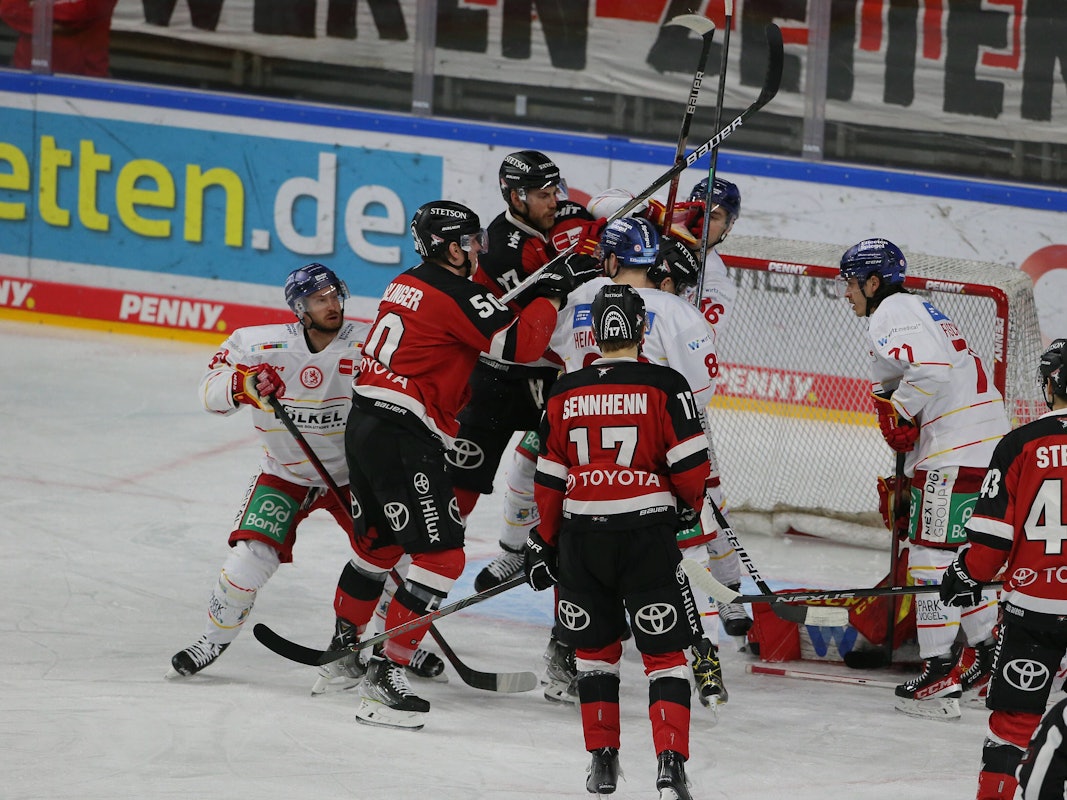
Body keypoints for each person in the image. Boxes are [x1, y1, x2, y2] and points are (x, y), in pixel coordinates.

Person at [326, 199, 582, 731]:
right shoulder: (456, 292)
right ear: (446, 246)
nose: (475, 250)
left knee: (378, 548)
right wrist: (553, 292)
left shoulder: (408, 281)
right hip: (403, 432)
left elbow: (479, 315)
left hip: (365, 424)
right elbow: (519, 343)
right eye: (467, 242)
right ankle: (384, 676)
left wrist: (530, 291)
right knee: (441, 557)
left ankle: (341, 654)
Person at [525, 282, 710, 800]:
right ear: (642, 329)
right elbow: (693, 467)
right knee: (665, 656)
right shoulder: (667, 384)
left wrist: (545, 542)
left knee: (594, 654)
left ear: (594, 333)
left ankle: (601, 762)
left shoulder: (564, 389)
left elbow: (547, 479)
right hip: (645, 536)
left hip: (583, 539)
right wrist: (682, 510)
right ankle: (670, 765)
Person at [536, 215, 729, 711]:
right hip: (660, 457)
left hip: (584, 453)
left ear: (612, 257)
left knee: (574, 552)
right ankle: (695, 654)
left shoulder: (582, 298)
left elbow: (553, 356)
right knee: (680, 556)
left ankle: (567, 651)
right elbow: (698, 392)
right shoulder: (680, 313)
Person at [166, 264, 375, 679]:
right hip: (286, 474)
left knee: (390, 559)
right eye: (320, 299)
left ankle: (387, 642)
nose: (333, 305)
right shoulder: (258, 345)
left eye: (335, 296)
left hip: (355, 477)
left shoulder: (368, 343)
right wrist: (243, 385)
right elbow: (209, 391)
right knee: (246, 563)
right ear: (300, 308)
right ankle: (212, 639)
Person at [838, 237, 1006, 720]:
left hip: (956, 451)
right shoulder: (917, 309)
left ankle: (939, 673)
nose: (846, 293)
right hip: (982, 444)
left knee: (930, 556)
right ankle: (987, 660)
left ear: (873, 282)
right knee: (961, 556)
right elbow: (922, 374)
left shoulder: (892, 311)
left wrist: (900, 408)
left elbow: (928, 370)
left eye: (851, 283)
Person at [449, 149, 600, 594]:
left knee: (548, 469)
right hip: (497, 377)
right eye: (542, 194)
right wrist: (573, 277)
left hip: (550, 380)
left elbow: (604, 217)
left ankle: (540, 561)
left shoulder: (559, 214)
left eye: (555, 190)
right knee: (461, 483)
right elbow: (543, 324)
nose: (554, 201)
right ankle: (422, 561)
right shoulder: (501, 248)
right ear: (515, 197)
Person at [939, 338, 1067, 800]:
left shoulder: (1020, 444)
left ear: (1053, 382)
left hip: (1032, 611)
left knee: (1012, 727)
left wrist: (965, 574)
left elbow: (991, 545)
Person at [0, 0, 118, 76]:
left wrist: (33, 12)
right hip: (25, 70)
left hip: (83, 78)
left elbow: (80, 14)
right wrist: (53, 24)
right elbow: (8, 9)